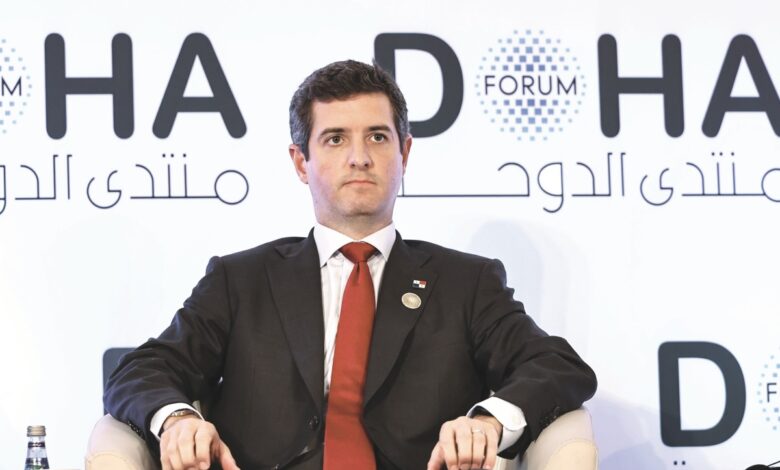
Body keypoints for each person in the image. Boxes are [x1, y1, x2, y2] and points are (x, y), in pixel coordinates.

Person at [104, 59, 597, 470]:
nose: (359, 157)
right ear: (301, 162)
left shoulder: (466, 283)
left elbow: (556, 366)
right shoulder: (240, 280)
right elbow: (142, 370)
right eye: (335, 139)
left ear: (404, 153)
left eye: (378, 137)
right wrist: (178, 420)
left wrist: (488, 421)